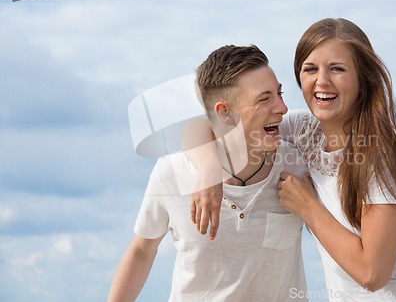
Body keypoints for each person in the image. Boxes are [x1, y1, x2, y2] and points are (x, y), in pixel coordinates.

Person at [188, 19, 396, 302]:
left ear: (363, 79)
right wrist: (208, 171)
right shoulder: (302, 130)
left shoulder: (379, 154)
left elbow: (372, 274)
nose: (322, 81)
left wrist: (308, 207)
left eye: (337, 68)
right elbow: (206, 126)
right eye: (310, 69)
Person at [106, 44, 309, 302]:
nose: (282, 107)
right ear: (225, 113)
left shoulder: (297, 165)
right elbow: (142, 251)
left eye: (279, 93)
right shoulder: (172, 170)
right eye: (264, 99)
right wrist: (208, 169)